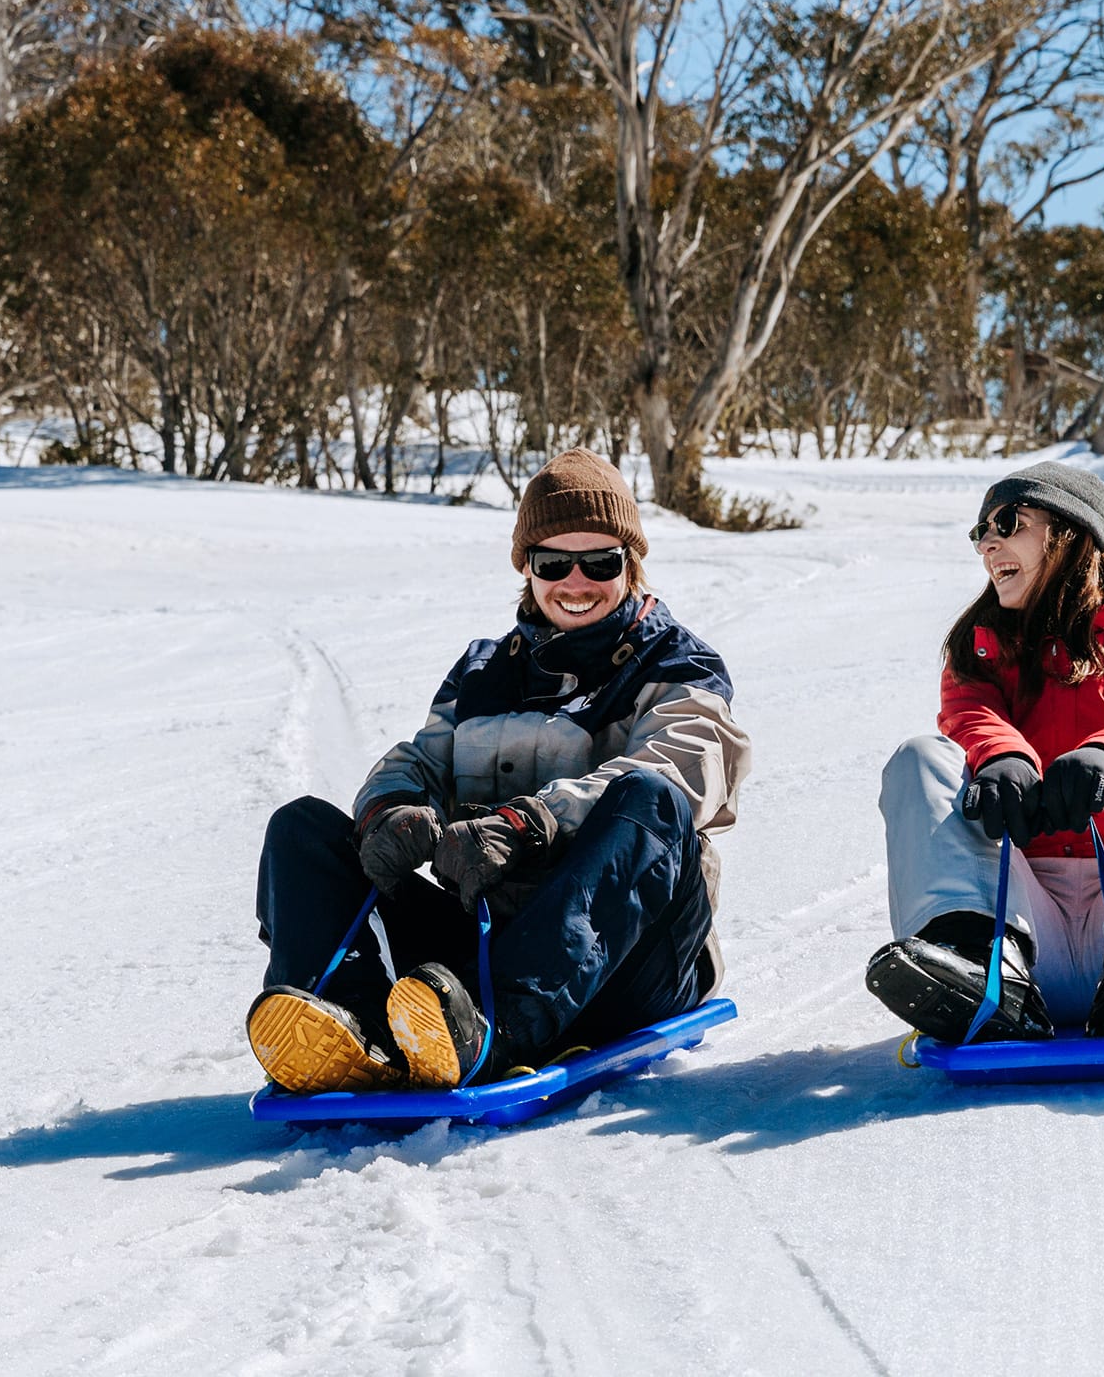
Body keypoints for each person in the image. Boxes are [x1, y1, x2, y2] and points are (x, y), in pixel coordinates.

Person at [247, 448, 751, 1092]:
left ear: (631, 564)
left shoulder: (679, 665)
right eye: (553, 561)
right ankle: (350, 1022)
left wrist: (528, 823)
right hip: (486, 945)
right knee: (303, 829)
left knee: (649, 796)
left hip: (631, 957)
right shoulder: (486, 671)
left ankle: (497, 1029)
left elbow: (684, 765)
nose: (576, 581)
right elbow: (421, 759)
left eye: (600, 561)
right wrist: (391, 810)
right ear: (528, 567)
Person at [866, 460, 1104, 1041]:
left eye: (1007, 521)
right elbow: (969, 713)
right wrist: (1003, 757)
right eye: (980, 533)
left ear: (1073, 532)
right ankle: (974, 961)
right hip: (1021, 926)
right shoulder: (979, 649)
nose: (988, 544)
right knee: (920, 758)